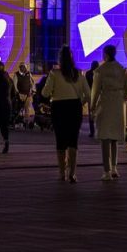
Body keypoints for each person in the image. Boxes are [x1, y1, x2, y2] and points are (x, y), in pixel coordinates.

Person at [43, 46, 89, 182]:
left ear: (60, 59)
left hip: (59, 108)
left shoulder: (54, 74)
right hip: (74, 107)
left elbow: (45, 93)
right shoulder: (79, 74)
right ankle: (72, 173)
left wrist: (52, 93)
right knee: (73, 141)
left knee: (60, 140)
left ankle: (62, 173)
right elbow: (88, 93)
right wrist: (81, 102)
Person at [92, 45, 127, 181]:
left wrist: (93, 105)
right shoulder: (122, 69)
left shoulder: (100, 70)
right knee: (114, 139)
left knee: (105, 138)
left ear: (105, 54)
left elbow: (95, 91)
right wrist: (121, 99)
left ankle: (106, 171)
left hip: (105, 103)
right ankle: (114, 167)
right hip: (118, 105)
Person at [84, 61, 100, 137]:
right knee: (99, 112)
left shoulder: (88, 73)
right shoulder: (100, 73)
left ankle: (92, 131)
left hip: (91, 94)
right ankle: (98, 130)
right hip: (98, 95)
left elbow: (86, 85)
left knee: (91, 113)